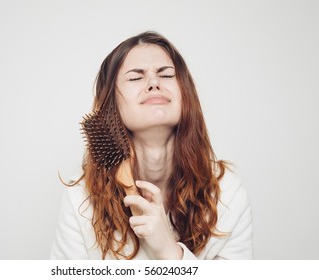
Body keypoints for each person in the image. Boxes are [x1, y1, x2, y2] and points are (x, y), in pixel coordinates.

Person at [50, 31, 253, 260]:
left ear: (186, 94)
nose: (154, 83)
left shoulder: (228, 195)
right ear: (111, 105)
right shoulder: (80, 202)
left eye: (166, 75)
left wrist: (169, 252)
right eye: (135, 78)